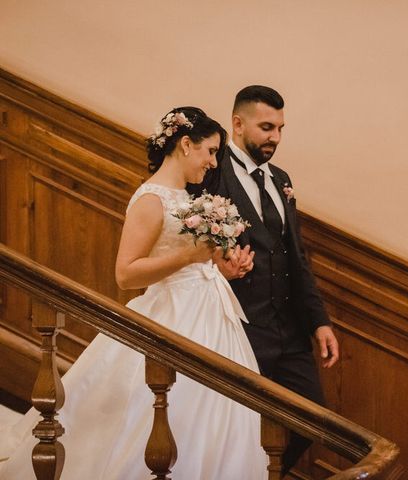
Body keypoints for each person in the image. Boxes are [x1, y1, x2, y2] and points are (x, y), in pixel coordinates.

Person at [0, 107, 268, 479]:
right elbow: (126, 274)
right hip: (173, 316)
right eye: (210, 151)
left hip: (211, 315)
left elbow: (191, 261)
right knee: (170, 410)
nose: (212, 162)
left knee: (220, 412)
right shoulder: (150, 200)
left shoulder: (189, 198)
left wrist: (221, 267)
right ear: (186, 144)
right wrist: (189, 255)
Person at [188, 86, 340, 474]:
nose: (275, 137)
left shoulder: (281, 179)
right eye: (266, 127)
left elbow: (297, 255)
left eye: (280, 128)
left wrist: (318, 320)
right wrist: (215, 268)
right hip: (238, 327)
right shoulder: (209, 171)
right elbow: (184, 242)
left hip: (288, 329)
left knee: (313, 418)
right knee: (234, 426)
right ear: (238, 124)